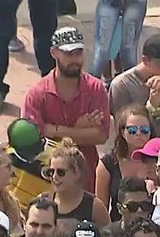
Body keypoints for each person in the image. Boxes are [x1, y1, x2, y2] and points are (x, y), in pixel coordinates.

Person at [18, 27, 111, 192]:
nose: (75, 59)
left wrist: (54, 130)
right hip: (45, 181)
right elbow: (31, 142)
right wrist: (78, 130)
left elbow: (100, 135)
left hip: (85, 177)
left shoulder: (96, 88)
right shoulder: (37, 94)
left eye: (78, 52)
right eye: (69, 54)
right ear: (54, 53)